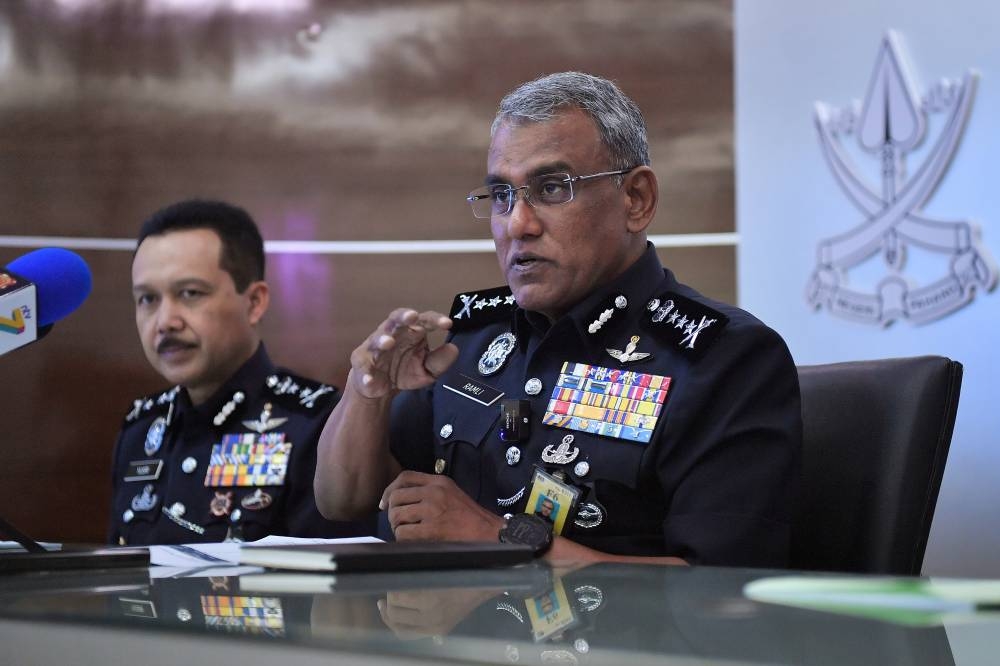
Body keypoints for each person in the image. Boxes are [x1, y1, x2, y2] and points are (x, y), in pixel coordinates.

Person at [314, 72, 801, 566]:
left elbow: (722, 590)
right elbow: (342, 500)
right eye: (502, 196)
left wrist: (495, 538)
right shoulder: (470, 342)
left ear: (636, 200)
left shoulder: (723, 358)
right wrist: (366, 390)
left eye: (551, 188)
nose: (518, 225)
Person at [109, 199, 372, 544]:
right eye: (147, 299)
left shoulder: (315, 424)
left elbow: (330, 591)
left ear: (254, 302)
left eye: (190, 293)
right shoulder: (141, 430)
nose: (165, 322)